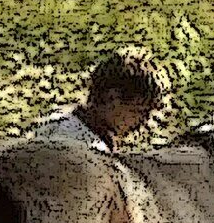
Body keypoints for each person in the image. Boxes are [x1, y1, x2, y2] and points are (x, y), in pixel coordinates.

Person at [31, 48, 168, 152]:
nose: (144, 121)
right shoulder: (81, 145)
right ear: (112, 98)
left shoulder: (55, 123)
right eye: (139, 111)